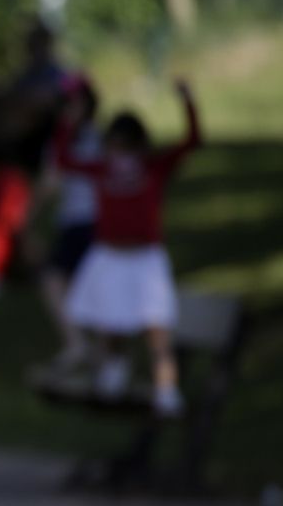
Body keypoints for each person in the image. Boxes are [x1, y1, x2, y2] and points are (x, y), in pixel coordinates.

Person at [54, 80, 201, 417]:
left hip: (145, 259)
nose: (118, 154)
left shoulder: (152, 169)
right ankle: (113, 377)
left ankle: (167, 390)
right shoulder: (101, 169)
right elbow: (64, 159)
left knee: (157, 329)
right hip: (111, 257)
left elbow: (192, 141)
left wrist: (188, 103)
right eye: (113, 146)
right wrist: (69, 120)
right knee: (112, 327)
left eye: (124, 147)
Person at [37, 75, 102, 367]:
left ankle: (101, 351)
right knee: (55, 281)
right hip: (72, 222)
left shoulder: (99, 138)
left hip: (95, 222)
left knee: (93, 286)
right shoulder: (61, 141)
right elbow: (51, 182)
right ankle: (80, 345)